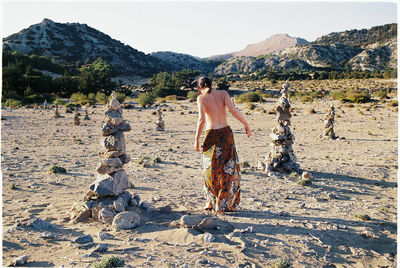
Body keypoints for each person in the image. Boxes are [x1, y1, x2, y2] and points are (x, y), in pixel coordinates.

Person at [194, 76, 251, 213]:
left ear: (199, 87)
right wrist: (246, 124)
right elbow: (234, 111)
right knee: (228, 168)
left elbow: (202, 119)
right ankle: (223, 202)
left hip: (212, 135)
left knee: (210, 169)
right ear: (211, 84)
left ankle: (211, 201)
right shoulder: (224, 93)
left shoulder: (201, 98)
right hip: (226, 134)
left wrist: (196, 139)